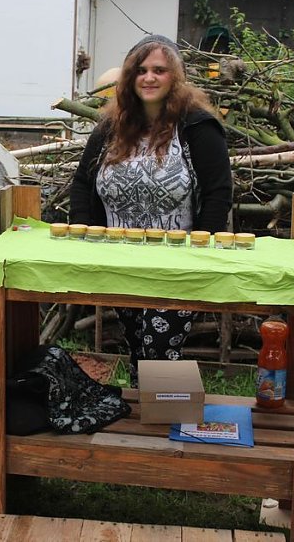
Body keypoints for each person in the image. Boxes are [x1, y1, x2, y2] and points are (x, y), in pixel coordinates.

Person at [69, 35, 232, 385]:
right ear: (129, 78)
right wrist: (83, 238)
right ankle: (150, 419)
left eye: (159, 70)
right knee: (137, 346)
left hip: (176, 265)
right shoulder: (112, 127)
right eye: (141, 70)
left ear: (176, 77)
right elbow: (83, 183)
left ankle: (160, 424)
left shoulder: (198, 127)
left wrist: (202, 252)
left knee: (160, 349)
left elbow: (219, 192)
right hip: (120, 259)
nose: (149, 77)